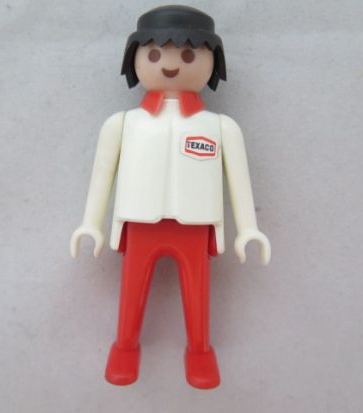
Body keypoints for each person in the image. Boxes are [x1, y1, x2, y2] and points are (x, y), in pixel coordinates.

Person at [70, 5, 271, 389]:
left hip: (194, 225)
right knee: (131, 291)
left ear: (213, 62)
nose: (171, 64)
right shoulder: (123, 124)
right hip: (139, 221)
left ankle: (200, 351)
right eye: (155, 55)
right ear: (134, 59)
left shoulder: (220, 127)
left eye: (189, 56)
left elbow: (238, 180)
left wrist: (248, 228)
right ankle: (125, 347)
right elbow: (102, 176)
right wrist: (90, 223)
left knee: (198, 295)